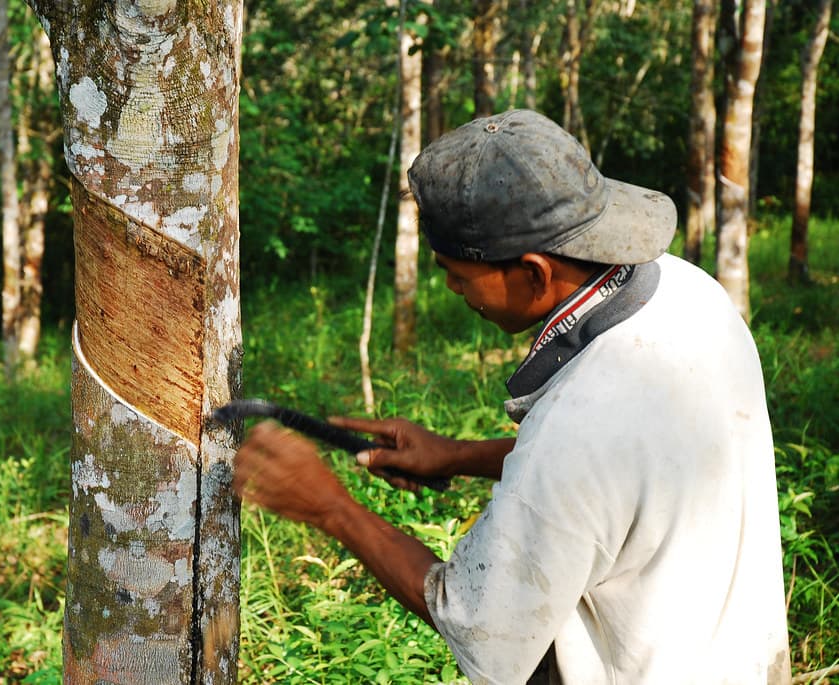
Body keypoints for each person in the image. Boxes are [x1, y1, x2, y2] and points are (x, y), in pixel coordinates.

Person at [231, 109, 791, 684]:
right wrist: (457, 455)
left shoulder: (579, 432)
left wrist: (327, 505)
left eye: (455, 273)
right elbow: (620, 470)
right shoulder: (686, 291)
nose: (450, 288)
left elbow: (473, 619)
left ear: (534, 273)